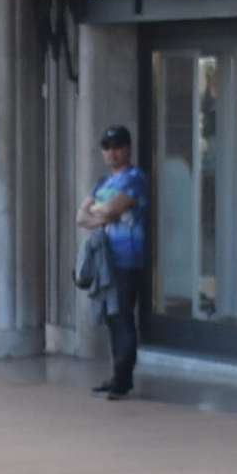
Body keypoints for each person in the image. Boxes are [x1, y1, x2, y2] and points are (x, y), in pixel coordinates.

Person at [75, 125, 147, 400]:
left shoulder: (135, 178)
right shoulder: (102, 182)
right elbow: (81, 217)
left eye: (117, 146)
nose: (112, 152)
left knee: (123, 318)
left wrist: (103, 212)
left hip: (128, 258)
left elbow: (110, 208)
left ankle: (122, 379)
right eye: (107, 147)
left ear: (128, 148)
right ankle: (118, 373)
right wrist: (104, 214)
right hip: (106, 259)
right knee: (112, 319)